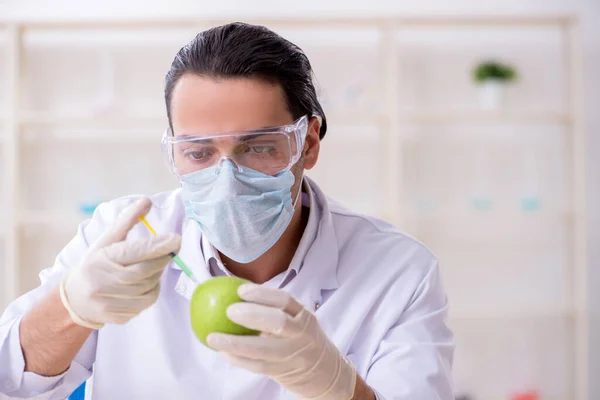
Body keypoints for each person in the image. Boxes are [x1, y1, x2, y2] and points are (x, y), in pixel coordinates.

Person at [0, 22, 454, 400]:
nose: (227, 178)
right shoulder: (121, 237)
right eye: (198, 153)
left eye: (258, 147)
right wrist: (70, 308)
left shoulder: (398, 272)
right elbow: (9, 382)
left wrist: (335, 385)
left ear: (308, 143)